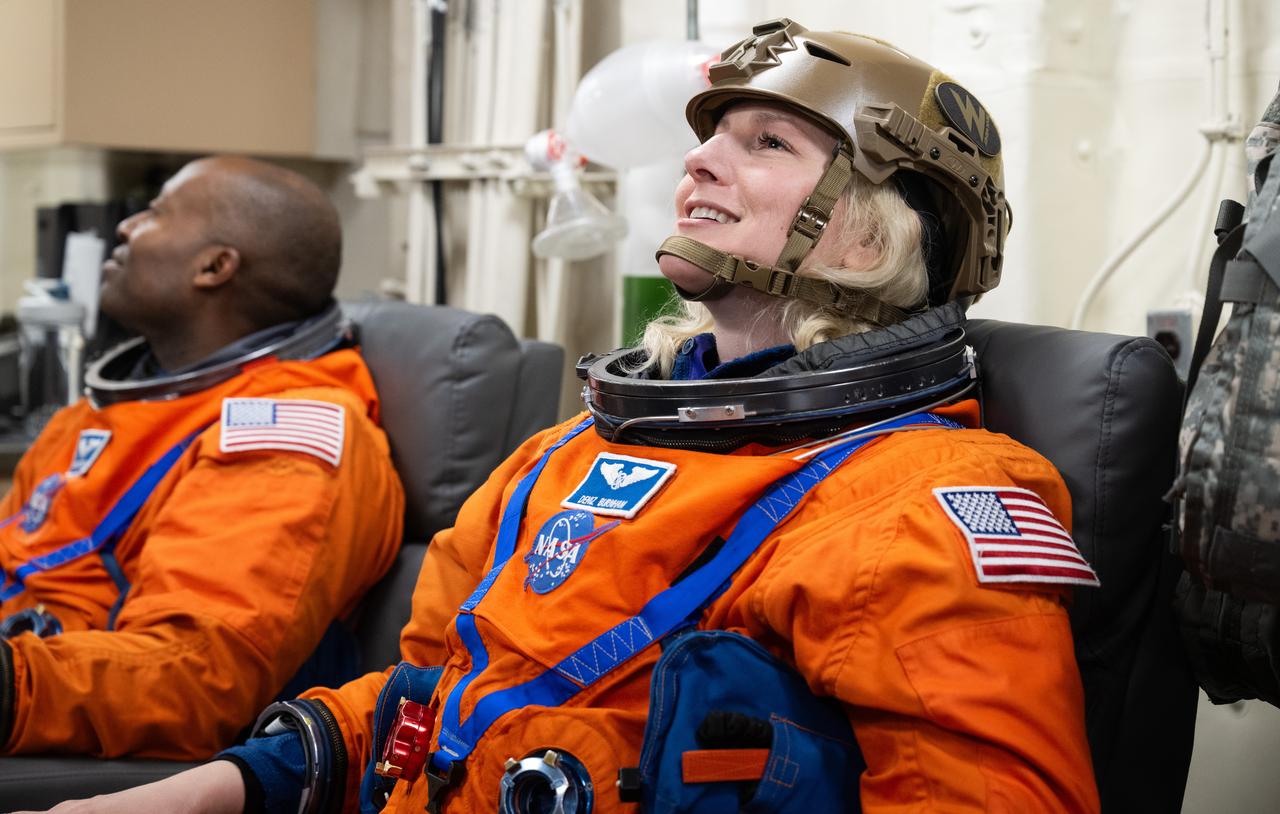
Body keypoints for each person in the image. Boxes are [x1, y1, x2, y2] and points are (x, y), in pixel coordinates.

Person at [25, 19, 1099, 812]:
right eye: (710, 133)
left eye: (766, 142)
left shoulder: (919, 502)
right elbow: (428, 701)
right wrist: (208, 791)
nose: (698, 159)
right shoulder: (570, 450)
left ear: (869, 236)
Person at [0, 156, 404, 759]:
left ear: (215, 267)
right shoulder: (103, 413)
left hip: (72, 740)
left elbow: (191, 678)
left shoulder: (285, 437)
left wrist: (12, 682)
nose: (126, 227)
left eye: (156, 213)